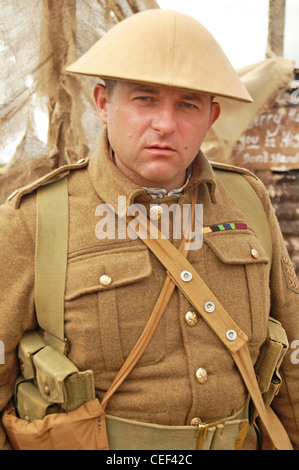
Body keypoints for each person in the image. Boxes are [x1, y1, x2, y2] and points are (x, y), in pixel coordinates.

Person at [0, 9, 298, 451]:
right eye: (145, 100)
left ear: (211, 116)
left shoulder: (248, 202)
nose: (165, 124)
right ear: (103, 104)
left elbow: (291, 355)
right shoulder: (35, 219)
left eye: (187, 105)